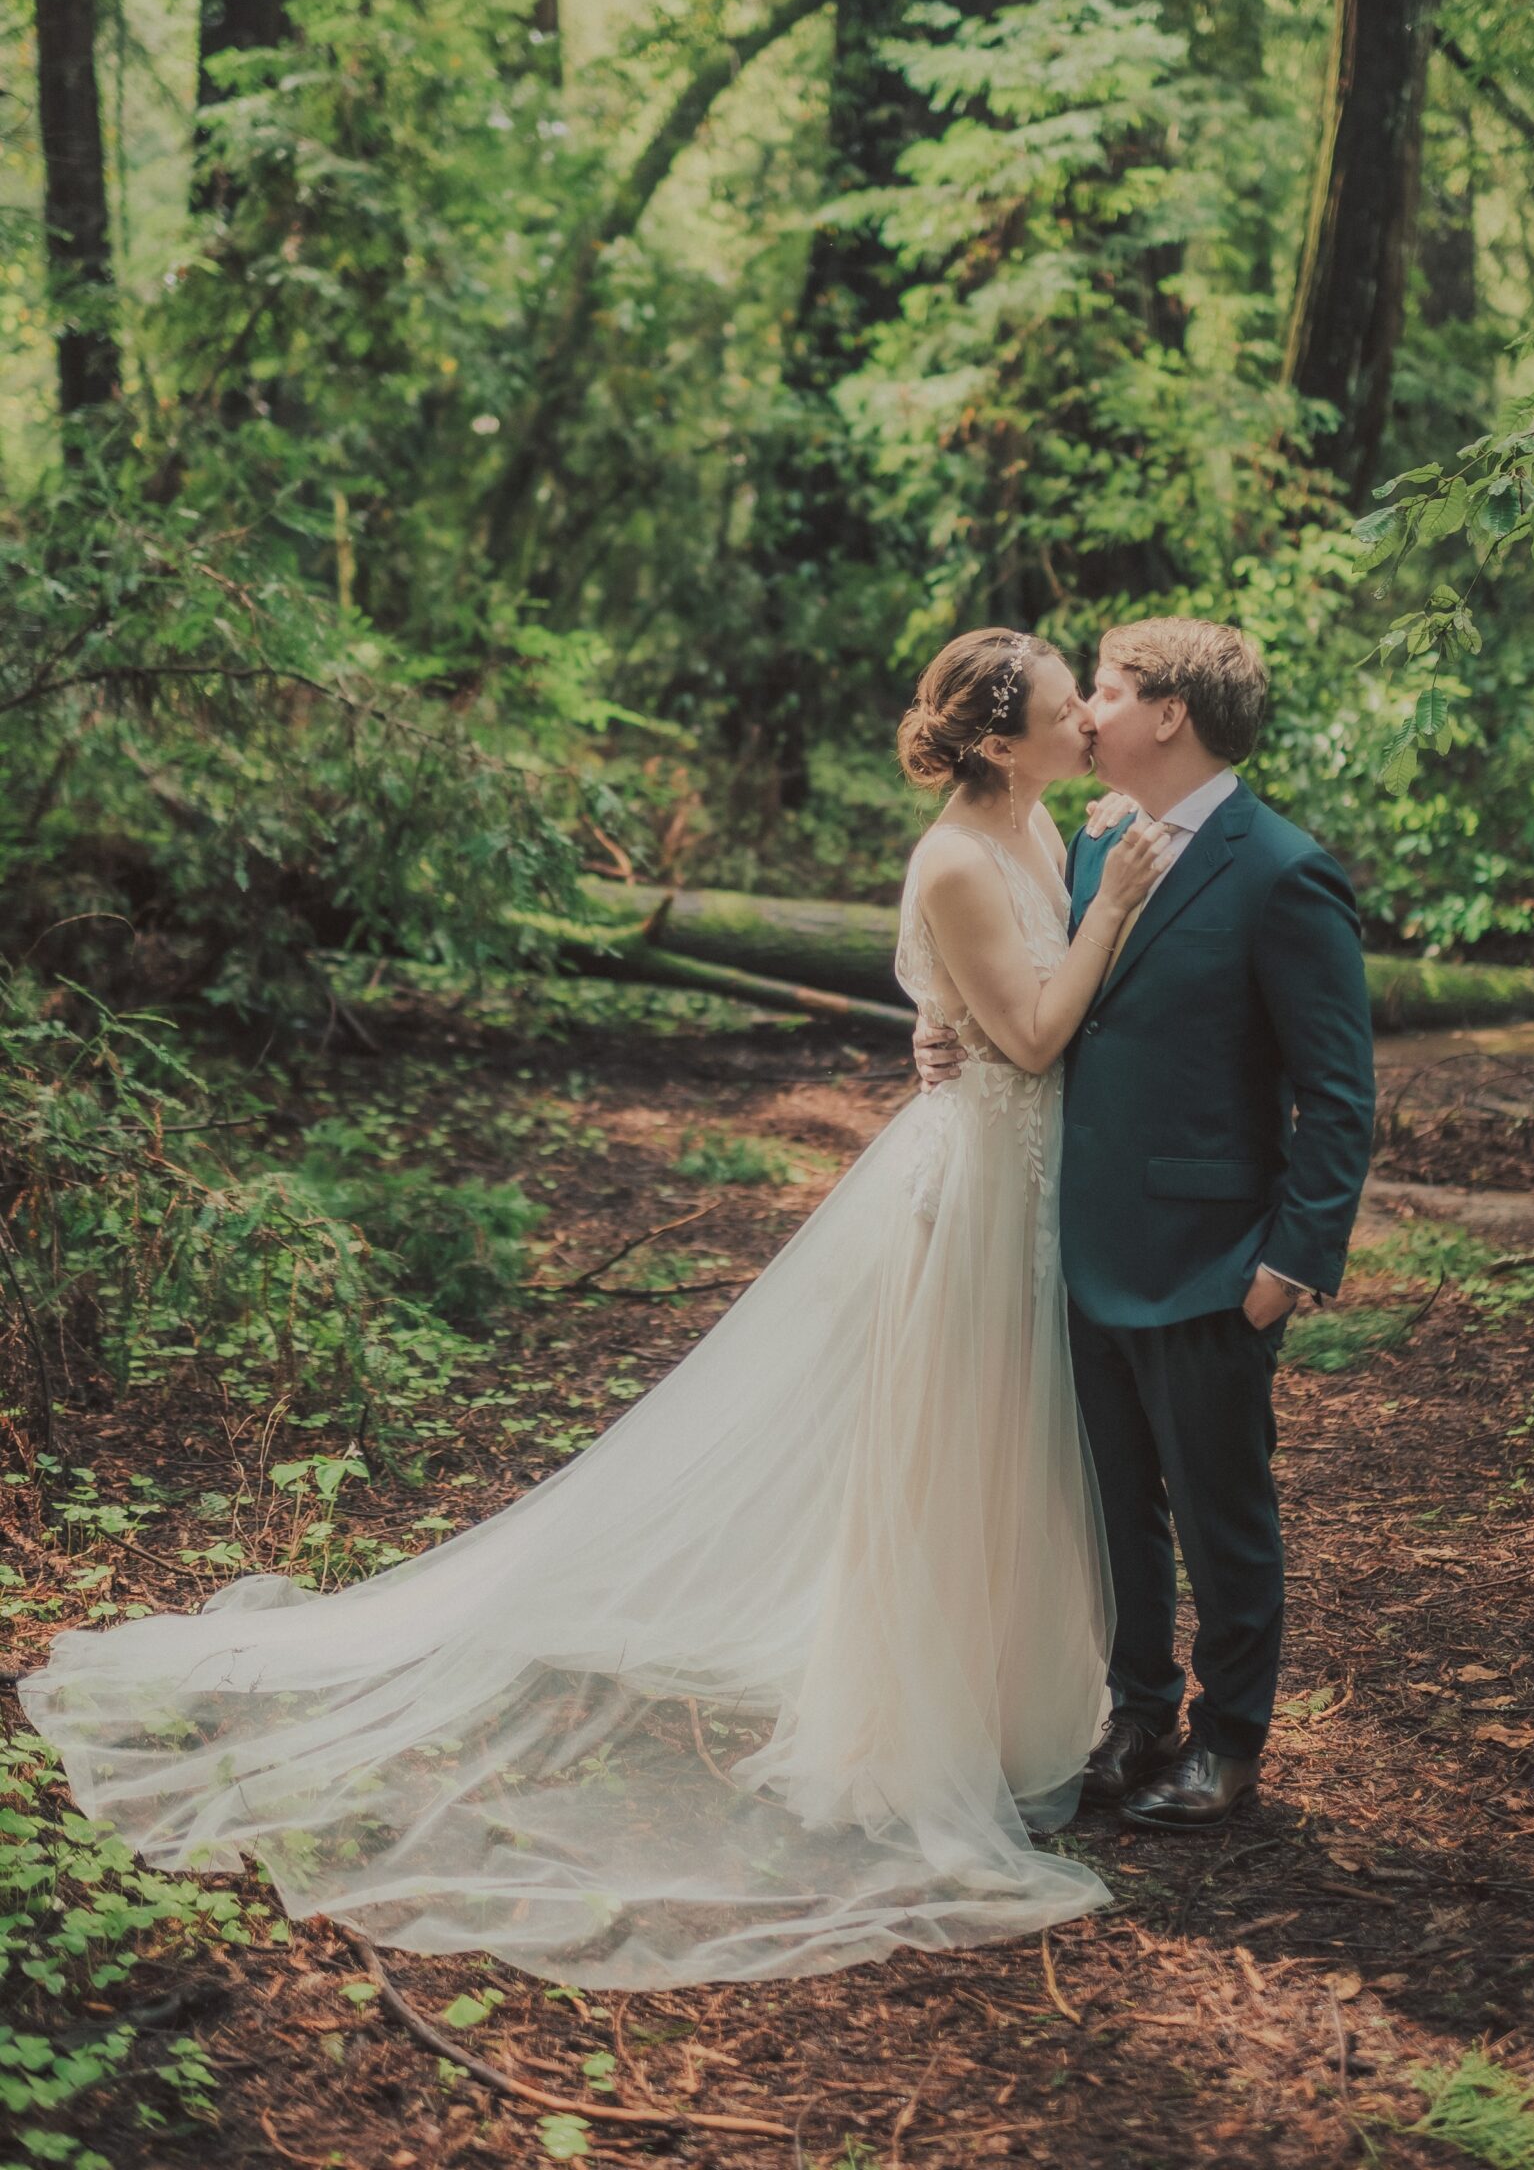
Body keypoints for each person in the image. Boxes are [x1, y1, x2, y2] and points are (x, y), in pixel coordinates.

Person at [20, 631, 1162, 1989]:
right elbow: (1028, 1032)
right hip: (970, 1190)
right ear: (996, 739)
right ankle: (932, 1730)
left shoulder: (1046, 830)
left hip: (1025, 1180)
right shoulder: (956, 859)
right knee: (960, 1448)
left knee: (1023, 1454)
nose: (1086, 725)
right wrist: (1107, 912)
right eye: (1060, 711)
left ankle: (1020, 1711)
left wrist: (1092, 891)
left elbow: (1025, 1016)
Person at [916, 618, 1376, 1828]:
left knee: (1224, 1510)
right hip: (1080, 1240)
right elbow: (1048, 1007)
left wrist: (1296, 1256)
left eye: (1107, 691)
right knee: (1117, 1501)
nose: (1089, 713)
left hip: (1212, 1258)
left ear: (1169, 713)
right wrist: (945, 1026)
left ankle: (1229, 1742)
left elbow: (1337, 1091)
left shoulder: (1281, 869)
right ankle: (1137, 1708)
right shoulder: (1091, 840)